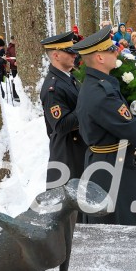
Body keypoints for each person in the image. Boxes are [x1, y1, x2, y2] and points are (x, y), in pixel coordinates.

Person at [74, 27, 136, 226]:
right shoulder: (101, 92)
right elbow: (131, 130)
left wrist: (132, 114)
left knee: (120, 221)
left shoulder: (97, 84)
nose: (116, 51)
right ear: (100, 58)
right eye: (111, 49)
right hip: (112, 168)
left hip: (108, 162)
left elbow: (116, 123)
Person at [39, 30, 87, 186]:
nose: (74, 55)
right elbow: (61, 124)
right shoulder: (53, 88)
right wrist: (88, 107)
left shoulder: (69, 77)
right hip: (68, 155)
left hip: (79, 150)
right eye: (69, 52)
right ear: (56, 55)